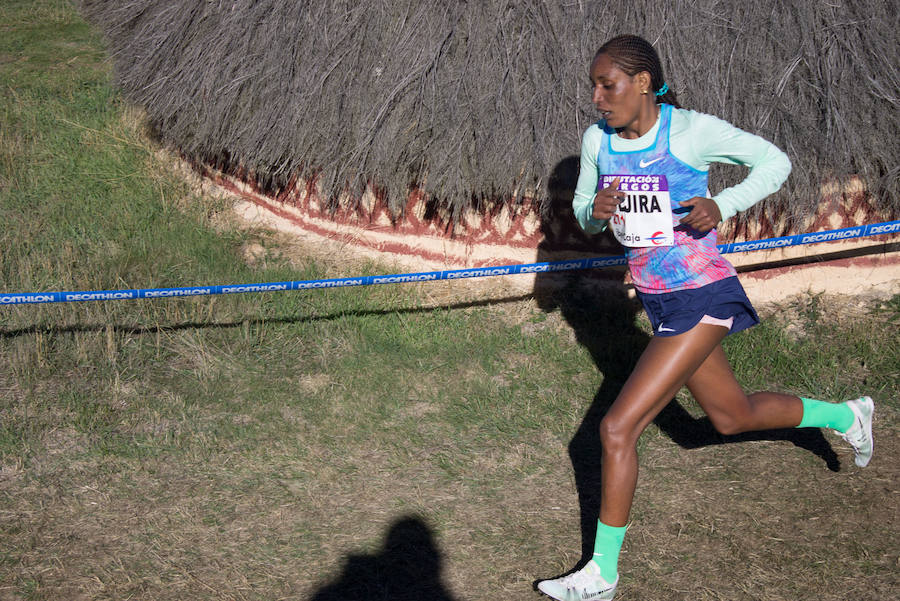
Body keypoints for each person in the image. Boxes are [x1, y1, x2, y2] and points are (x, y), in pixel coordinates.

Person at [536, 34, 875, 601]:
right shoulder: (598, 141)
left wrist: (725, 204)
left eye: (607, 84)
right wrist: (591, 212)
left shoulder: (691, 131)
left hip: (703, 292)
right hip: (656, 296)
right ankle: (846, 415)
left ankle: (601, 575)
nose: (597, 97)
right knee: (729, 416)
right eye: (593, 86)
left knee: (616, 429)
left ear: (642, 82)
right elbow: (585, 214)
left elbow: (775, 162)